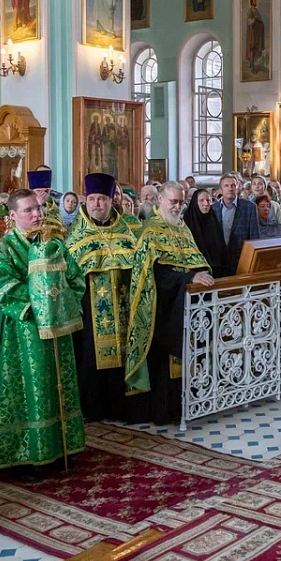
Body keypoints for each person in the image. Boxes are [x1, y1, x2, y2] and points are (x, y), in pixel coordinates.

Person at [0, 189, 86, 472]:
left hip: (58, 330)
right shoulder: (1, 250)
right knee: (30, 386)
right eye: (29, 210)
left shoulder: (55, 245)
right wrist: (40, 307)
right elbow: (0, 287)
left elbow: (75, 278)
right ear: (13, 215)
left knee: (57, 384)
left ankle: (63, 445)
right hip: (23, 334)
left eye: (38, 209)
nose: (37, 214)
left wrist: (64, 304)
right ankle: (26, 454)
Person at [123, 182, 214, 425]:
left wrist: (199, 273)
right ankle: (163, 411)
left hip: (184, 303)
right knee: (164, 362)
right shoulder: (150, 231)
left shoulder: (182, 228)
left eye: (181, 202)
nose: (177, 207)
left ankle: (186, 405)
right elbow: (155, 275)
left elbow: (195, 258)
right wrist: (188, 277)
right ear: (159, 200)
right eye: (173, 202)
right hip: (160, 309)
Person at [66, 173, 141, 422]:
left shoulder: (127, 230)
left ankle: (121, 406)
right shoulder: (76, 235)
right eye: (92, 199)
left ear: (111, 201)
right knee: (90, 354)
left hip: (123, 303)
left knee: (122, 352)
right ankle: (92, 407)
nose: (97, 204)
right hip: (89, 306)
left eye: (102, 199)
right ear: (85, 201)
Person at [212, 174, 259, 276]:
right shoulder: (213, 209)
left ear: (238, 188)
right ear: (220, 190)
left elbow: (255, 237)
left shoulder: (249, 207)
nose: (230, 188)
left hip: (241, 258)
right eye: (226, 186)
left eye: (233, 185)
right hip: (219, 259)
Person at [182, 188, 227, 277]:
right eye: (201, 200)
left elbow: (221, 248)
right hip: (195, 272)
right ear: (195, 202)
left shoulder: (213, 220)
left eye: (208, 200)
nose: (206, 204)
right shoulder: (187, 223)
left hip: (217, 271)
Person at [27, 168, 66, 237]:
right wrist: (39, 205)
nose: (43, 194)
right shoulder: (24, 200)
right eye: (39, 191)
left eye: (46, 191)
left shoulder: (59, 199)